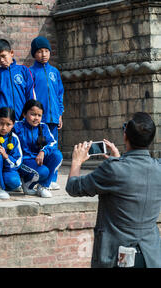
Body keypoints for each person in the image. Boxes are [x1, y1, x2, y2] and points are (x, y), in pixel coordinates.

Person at [66, 112, 161, 268]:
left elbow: (73, 187)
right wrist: (118, 160)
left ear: (125, 136)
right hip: (151, 256)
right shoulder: (158, 168)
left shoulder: (113, 169)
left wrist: (76, 161)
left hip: (117, 256)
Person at [30, 36, 64, 190]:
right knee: (40, 147)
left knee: (54, 147)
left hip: (53, 117)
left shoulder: (54, 72)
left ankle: (52, 178)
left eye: (46, 51)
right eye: (39, 51)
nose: (43, 54)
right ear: (34, 54)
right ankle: (41, 176)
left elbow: (59, 94)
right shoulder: (31, 72)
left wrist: (60, 114)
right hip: (39, 118)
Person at [14, 99, 63, 198]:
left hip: (37, 160)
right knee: (43, 171)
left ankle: (43, 186)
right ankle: (28, 184)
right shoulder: (17, 126)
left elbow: (53, 142)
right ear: (24, 114)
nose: (36, 118)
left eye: (39, 115)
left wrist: (43, 151)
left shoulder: (43, 127)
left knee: (57, 155)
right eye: (33, 114)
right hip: (22, 161)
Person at [0, 39, 35, 121]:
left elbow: (30, 95)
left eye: (3, 56)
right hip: (3, 122)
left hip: (22, 119)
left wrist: (29, 114)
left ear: (11, 53)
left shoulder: (24, 71)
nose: (1, 60)